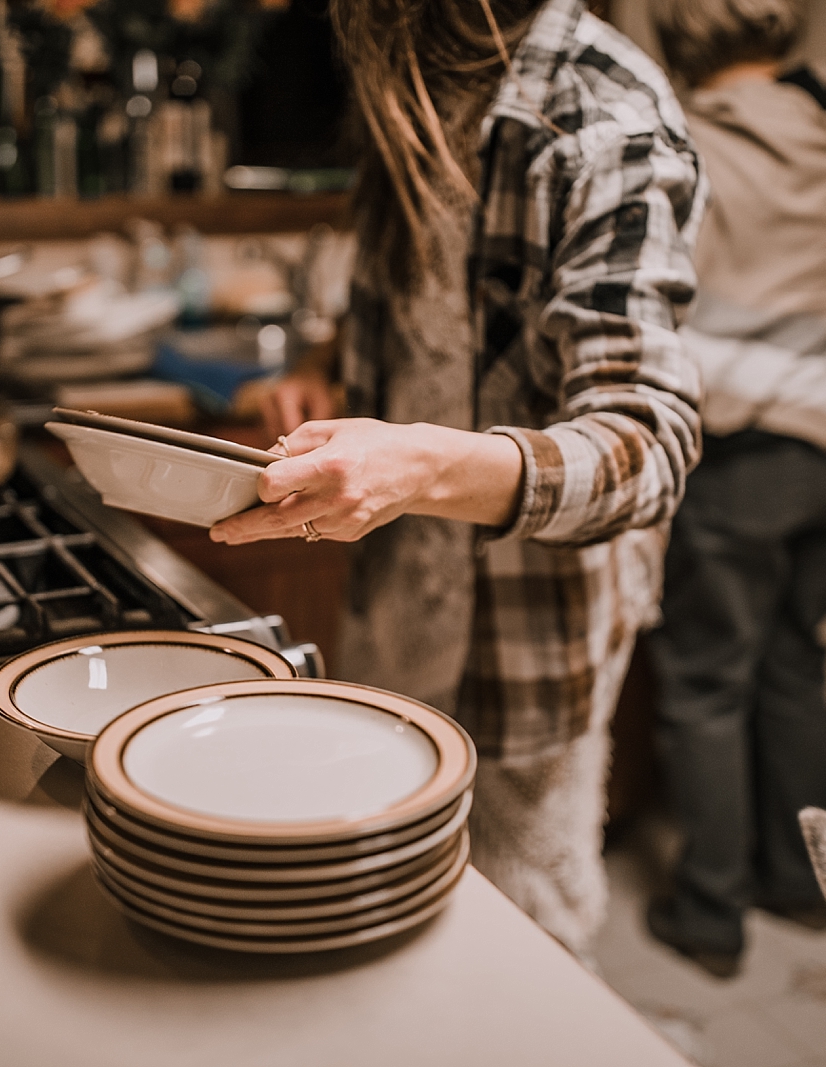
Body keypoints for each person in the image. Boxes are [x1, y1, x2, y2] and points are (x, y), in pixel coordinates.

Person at [210, 0, 706, 959]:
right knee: (386, 910)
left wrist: (421, 464)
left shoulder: (603, 115)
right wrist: (324, 360)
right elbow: (416, 298)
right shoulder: (413, 77)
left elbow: (649, 442)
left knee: (522, 941)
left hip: (529, 627)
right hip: (398, 599)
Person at [641, 0, 826, 977]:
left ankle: (710, 911)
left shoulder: (684, 140)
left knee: (705, 681)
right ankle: (803, 887)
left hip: (759, 454)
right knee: (793, 655)